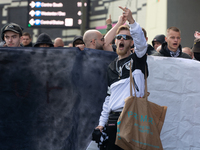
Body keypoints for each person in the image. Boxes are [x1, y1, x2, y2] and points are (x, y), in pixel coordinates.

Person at [95, 6, 147, 149]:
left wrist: (131, 20)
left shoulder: (138, 59)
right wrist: (101, 124)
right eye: (119, 37)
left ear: (132, 43)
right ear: (115, 42)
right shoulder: (111, 66)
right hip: (112, 121)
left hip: (132, 119)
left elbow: (142, 45)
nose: (121, 40)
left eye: (126, 37)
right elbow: (108, 98)